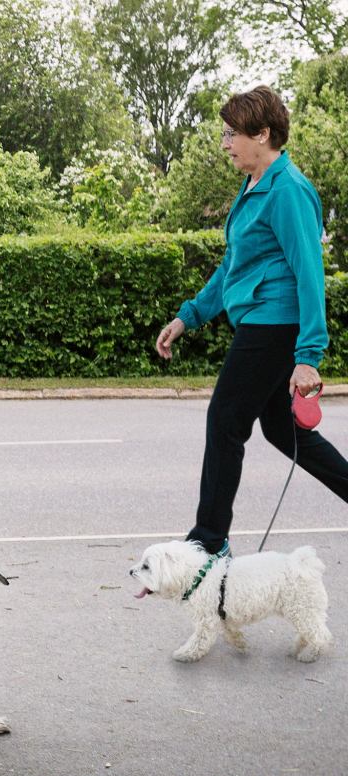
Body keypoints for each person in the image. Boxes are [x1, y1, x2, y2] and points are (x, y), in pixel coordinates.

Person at [156, 84, 348, 557]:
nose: (225, 144)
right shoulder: (254, 186)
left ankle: (209, 540)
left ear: (262, 134)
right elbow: (233, 267)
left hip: (274, 326)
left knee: (225, 419)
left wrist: (308, 357)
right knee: (284, 431)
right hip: (262, 323)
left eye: (231, 134)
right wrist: (189, 316)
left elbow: (309, 275)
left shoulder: (288, 191)